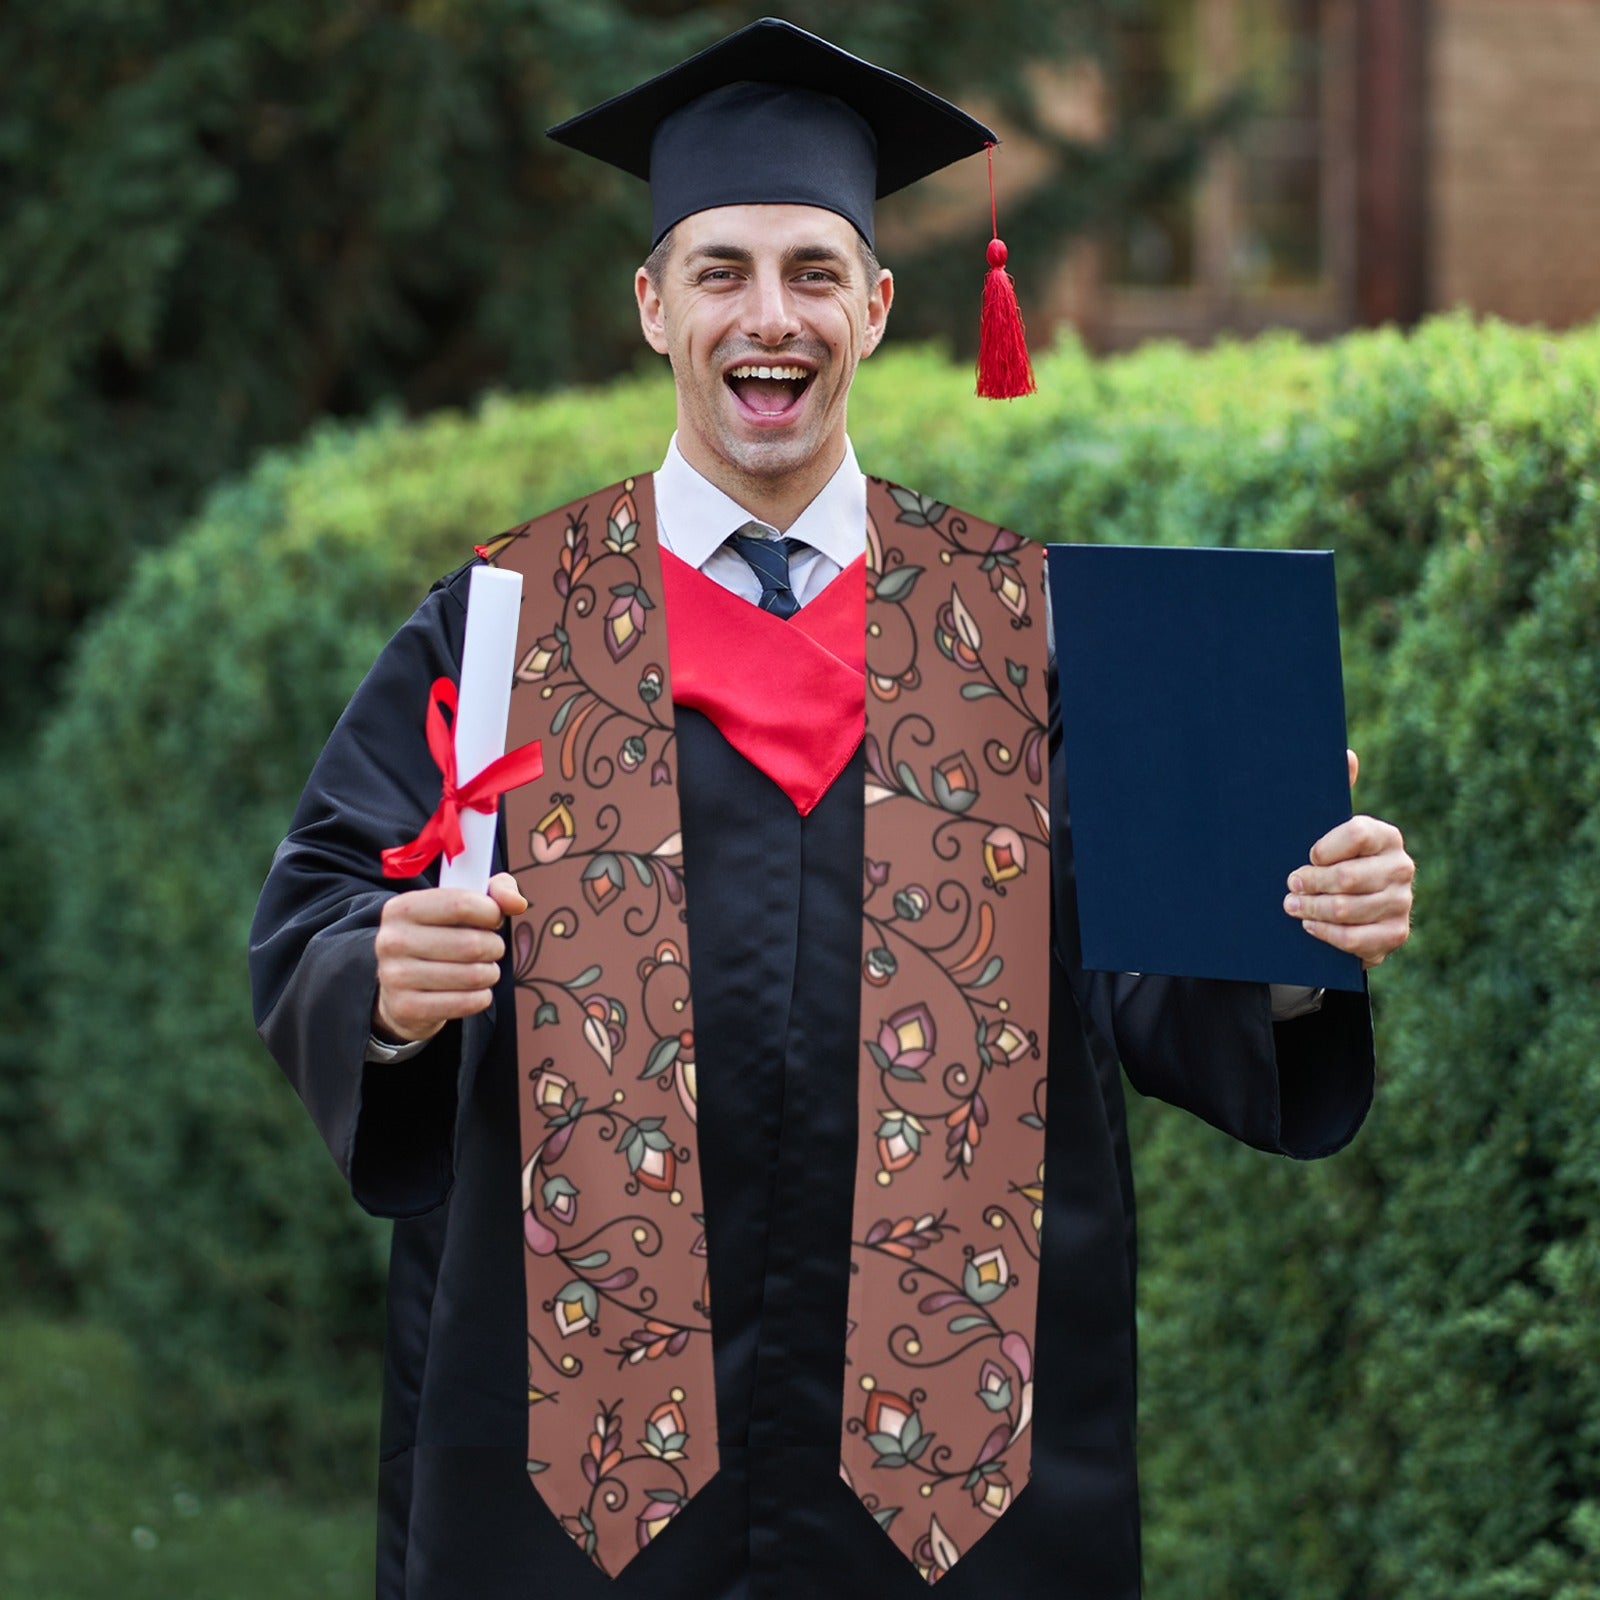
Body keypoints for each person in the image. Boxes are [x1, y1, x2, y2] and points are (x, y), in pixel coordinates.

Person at [249, 19, 1414, 1600]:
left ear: (876, 305)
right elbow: (324, 901)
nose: (768, 316)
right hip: (585, 1467)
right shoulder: (512, 622)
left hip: (955, 1467)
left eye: (812, 270)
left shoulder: (1029, 629)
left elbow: (1149, 980)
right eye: (721, 270)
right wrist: (379, 983)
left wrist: (1293, 934)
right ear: (654, 305)